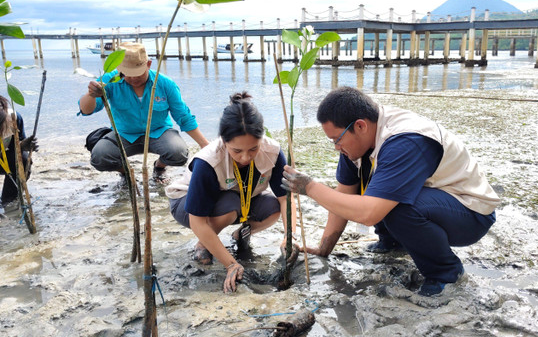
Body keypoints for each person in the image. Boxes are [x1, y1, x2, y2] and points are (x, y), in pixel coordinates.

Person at [281, 86, 500, 296]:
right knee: (381, 192)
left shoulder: (405, 140)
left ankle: (445, 272)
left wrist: (309, 187)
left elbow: (369, 214)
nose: (336, 147)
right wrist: (323, 249)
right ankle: (393, 242)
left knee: (392, 205)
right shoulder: (355, 145)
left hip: (470, 213)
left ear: (360, 126)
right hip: (434, 200)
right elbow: (343, 197)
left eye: (337, 140)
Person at [165, 92, 296, 293]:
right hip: (187, 205)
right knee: (231, 205)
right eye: (236, 151)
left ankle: (239, 235)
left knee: (272, 207)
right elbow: (197, 220)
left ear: (262, 138)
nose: (245, 157)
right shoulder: (208, 161)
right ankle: (203, 244)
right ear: (223, 142)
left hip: (238, 199)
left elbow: (285, 199)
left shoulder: (273, 152)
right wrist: (231, 264)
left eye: (253, 149)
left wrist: (290, 236)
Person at [78, 42, 208, 181]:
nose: (133, 79)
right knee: (100, 157)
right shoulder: (109, 80)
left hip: (159, 132)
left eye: (137, 74)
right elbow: (86, 110)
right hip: (124, 134)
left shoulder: (165, 83)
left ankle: (159, 166)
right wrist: (91, 94)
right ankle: (126, 172)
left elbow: (183, 117)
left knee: (179, 154)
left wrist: (204, 145)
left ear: (148, 64)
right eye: (128, 74)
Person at [0, 95, 38, 208]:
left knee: (23, 159)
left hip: (4, 159)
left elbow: (14, 150)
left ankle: (8, 200)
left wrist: (21, 146)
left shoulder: (13, 118)